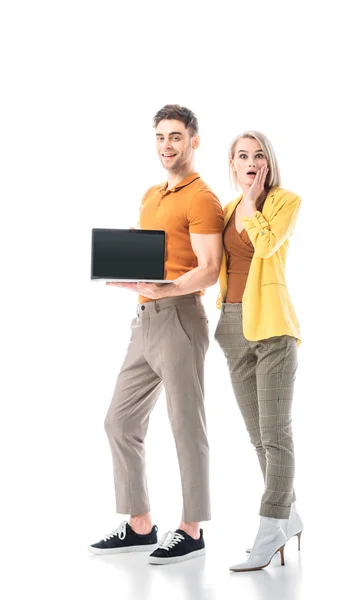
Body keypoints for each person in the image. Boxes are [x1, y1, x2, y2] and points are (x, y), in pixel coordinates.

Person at [89, 105, 224, 565]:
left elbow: (208, 270)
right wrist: (133, 253)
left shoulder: (201, 198)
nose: (167, 145)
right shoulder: (152, 194)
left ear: (194, 141)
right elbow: (163, 252)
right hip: (144, 321)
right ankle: (141, 524)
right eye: (161, 137)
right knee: (120, 421)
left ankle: (191, 529)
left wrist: (167, 286)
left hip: (180, 319)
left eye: (176, 137)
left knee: (187, 426)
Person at [214, 130, 304, 572]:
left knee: (276, 435)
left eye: (258, 155)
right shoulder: (227, 209)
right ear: (232, 164)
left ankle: (271, 529)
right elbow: (212, 262)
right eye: (242, 155)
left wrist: (252, 204)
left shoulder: (285, 201)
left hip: (271, 329)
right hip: (232, 326)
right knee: (257, 437)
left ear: (268, 163)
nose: (250, 161)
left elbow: (267, 245)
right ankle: (290, 515)